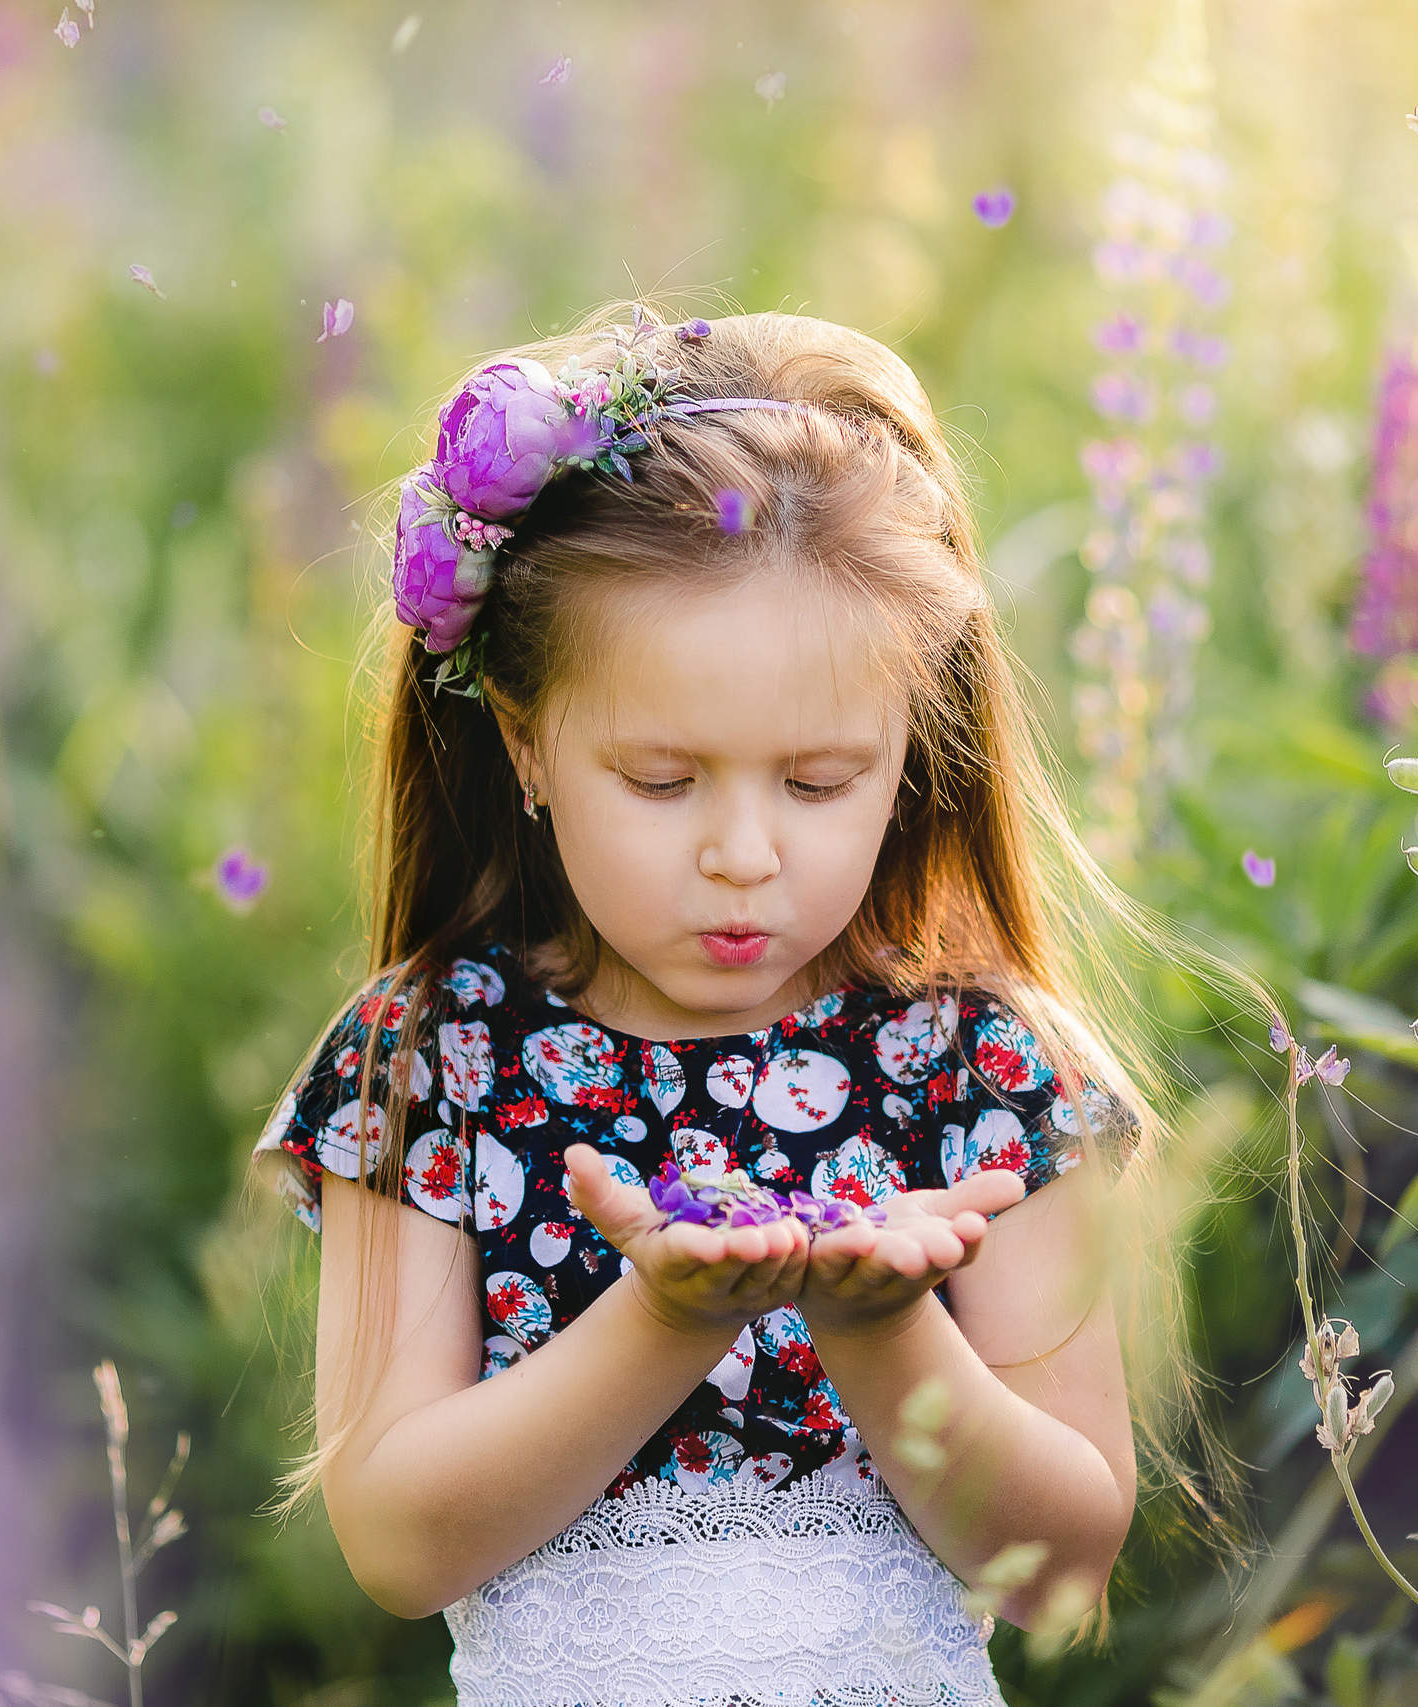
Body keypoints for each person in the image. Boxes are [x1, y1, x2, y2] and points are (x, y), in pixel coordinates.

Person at [257, 304, 1170, 1707]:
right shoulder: (433, 1062)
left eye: (818, 784)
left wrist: (878, 1329)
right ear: (527, 742)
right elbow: (395, 1541)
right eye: (664, 781)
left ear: (911, 748)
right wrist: (667, 1319)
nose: (743, 853)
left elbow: (1058, 1574)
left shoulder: (981, 1066)